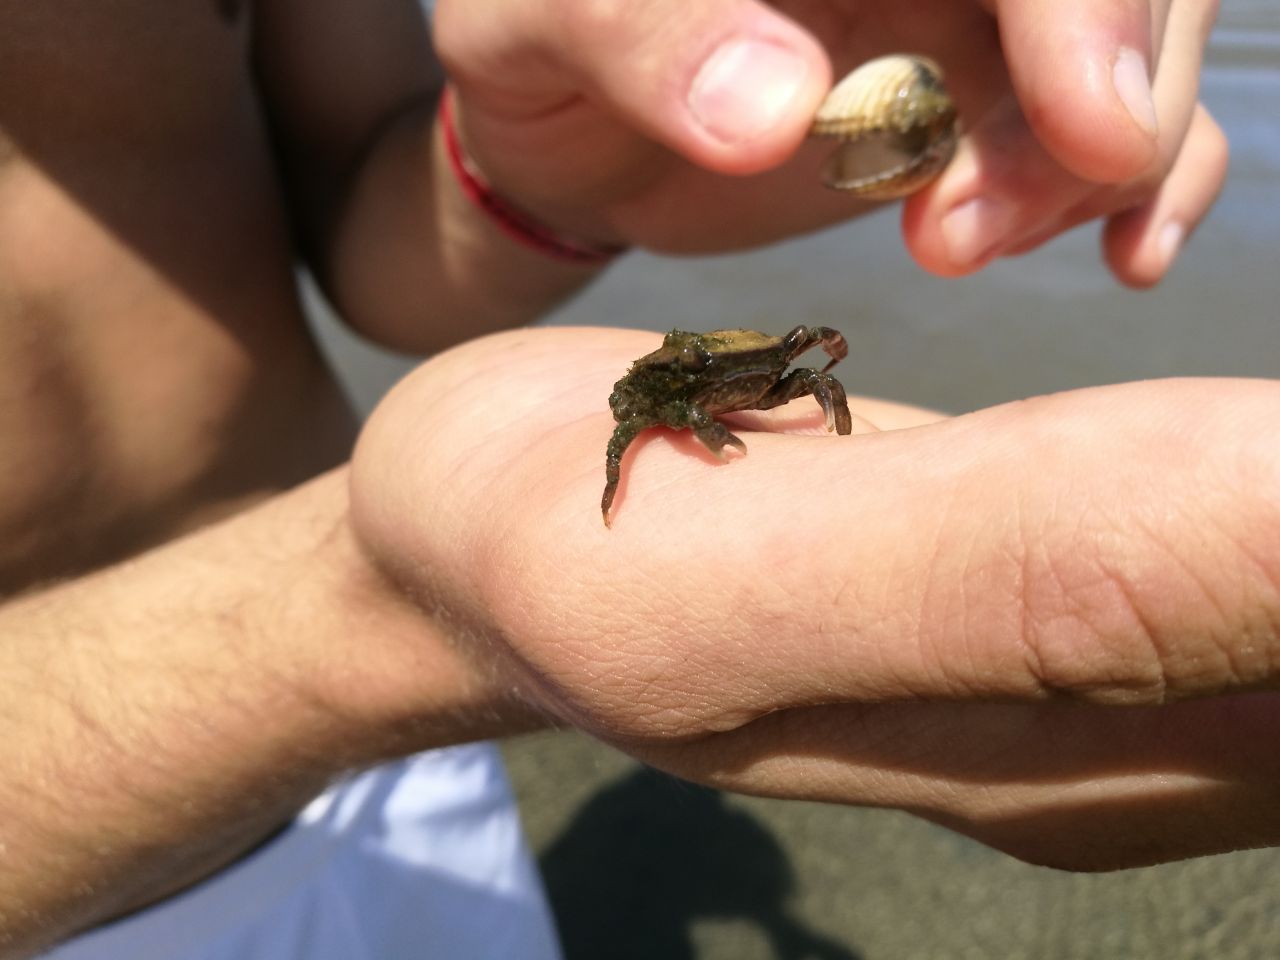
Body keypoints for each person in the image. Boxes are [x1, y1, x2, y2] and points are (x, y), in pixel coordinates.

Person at [0, 0, 1246, 957]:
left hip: (403, 751)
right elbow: (633, 416)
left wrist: (540, 180)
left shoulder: (760, 368)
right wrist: (367, 618)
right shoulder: (617, 426)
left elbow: (361, 228)